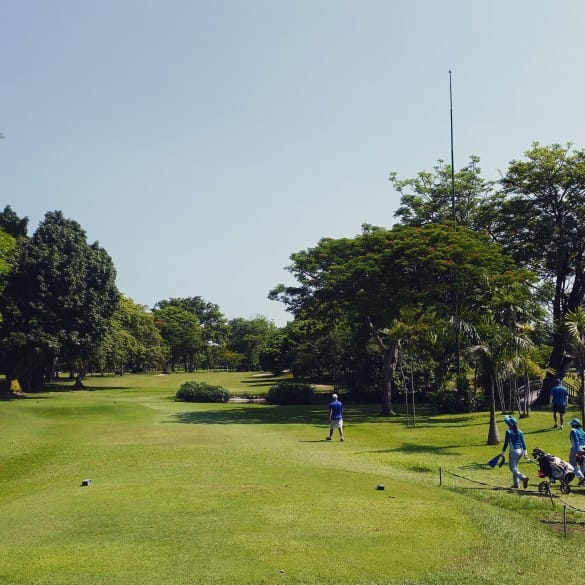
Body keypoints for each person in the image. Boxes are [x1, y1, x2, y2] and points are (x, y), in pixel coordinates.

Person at [499, 415, 529, 489]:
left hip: (514, 452)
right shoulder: (520, 431)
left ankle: (523, 478)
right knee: (515, 468)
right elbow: (523, 443)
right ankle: (516, 484)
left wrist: (502, 452)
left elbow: (506, 443)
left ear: (509, 424)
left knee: (512, 468)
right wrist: (525, 453)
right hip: (521, 452)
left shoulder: (508, 432)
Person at [568, 417, 585, 485]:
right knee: (583, 465)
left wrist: (577, 451)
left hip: (577, 449)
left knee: (572, 465)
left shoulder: (573, 430)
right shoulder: (582, 431)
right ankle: (583, 481)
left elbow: (576, 441)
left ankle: (581, 477)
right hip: (584, 448)